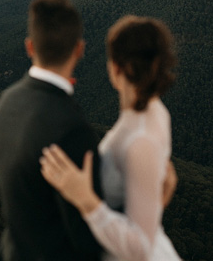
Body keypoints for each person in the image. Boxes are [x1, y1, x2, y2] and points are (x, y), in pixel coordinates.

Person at [40, 15, 181, 261]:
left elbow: (140, 249)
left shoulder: (140, 142)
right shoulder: (158, 112)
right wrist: (159, 202)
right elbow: (140, 202)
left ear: (116, 68)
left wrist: (86, 200)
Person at [0, 0, 104, 261]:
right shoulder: (73, 130)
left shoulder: (5, 104)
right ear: (79, 49)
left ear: (30, 47)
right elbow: (88, 240)